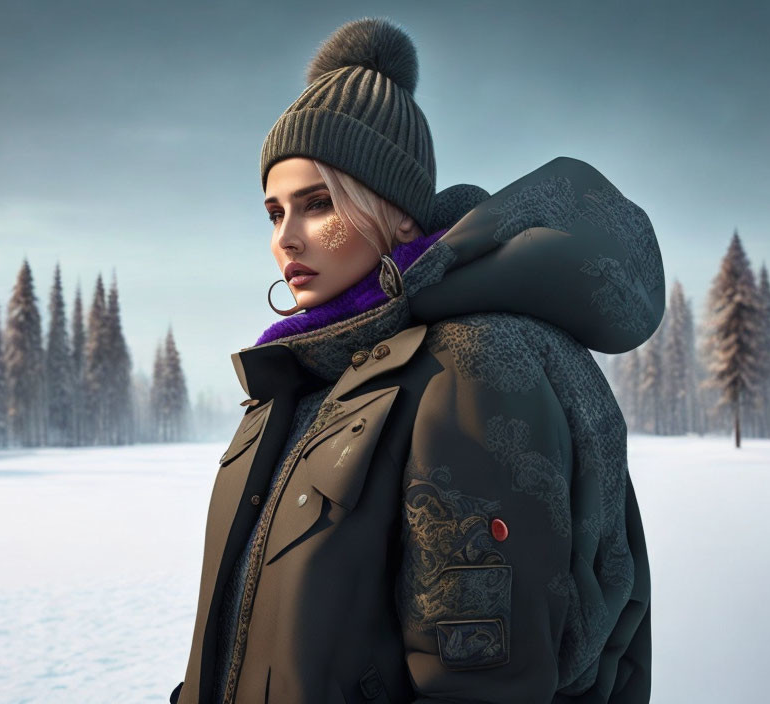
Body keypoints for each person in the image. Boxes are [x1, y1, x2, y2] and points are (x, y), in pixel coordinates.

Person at [172, 16, 661, 704]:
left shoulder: (468, 367)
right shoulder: (302, 382)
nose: (286, 237)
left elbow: (484, 684)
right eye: (273, 210)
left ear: (398, 213)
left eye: (318, 204)